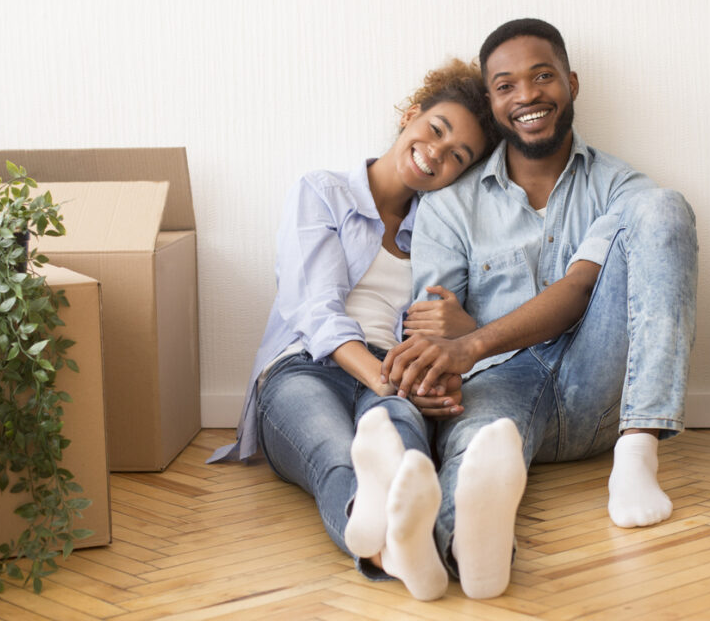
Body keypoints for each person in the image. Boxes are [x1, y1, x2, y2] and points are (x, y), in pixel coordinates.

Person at [382, 19, 699, 599]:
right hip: (498, 387)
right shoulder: (450, 204)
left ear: (571, 84)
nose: (527, 95)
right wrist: (453, 355)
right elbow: (432, 323)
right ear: (493, 102)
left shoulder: (618, 186)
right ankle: (459, 556)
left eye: (542, 76)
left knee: (665, 208)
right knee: (477, 458)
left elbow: (580, 289)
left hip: (599, 390)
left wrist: (474, 335)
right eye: (505, 86)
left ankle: (638, 455)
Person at [208, 59, 497, 601]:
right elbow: (316, 309)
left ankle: (407, 553)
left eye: (459, 155)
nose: (437, 153)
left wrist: (462, 331)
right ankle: (409, 554)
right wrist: (388, 382)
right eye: (436, 130)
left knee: (405, 453)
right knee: (338, 454)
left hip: (392, 372)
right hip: (304, 369)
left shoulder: (442, 230)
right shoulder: (323, 191)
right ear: (411, 116)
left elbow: (463, 332)